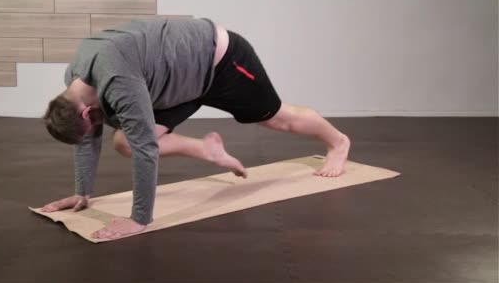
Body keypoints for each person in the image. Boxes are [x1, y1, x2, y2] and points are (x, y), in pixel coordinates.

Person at [41, 17, 351, 240]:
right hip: (180, 82)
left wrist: (139, 220)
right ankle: (206, 149)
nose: (96, 126)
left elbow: (147, 148)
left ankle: (338, 142)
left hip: (222, 63)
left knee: (277, 118)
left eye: (91, 122)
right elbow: (89, 138)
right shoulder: (75, 82)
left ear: (84, 111)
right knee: (124, 141)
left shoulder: (117, 80)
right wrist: (83, 192)